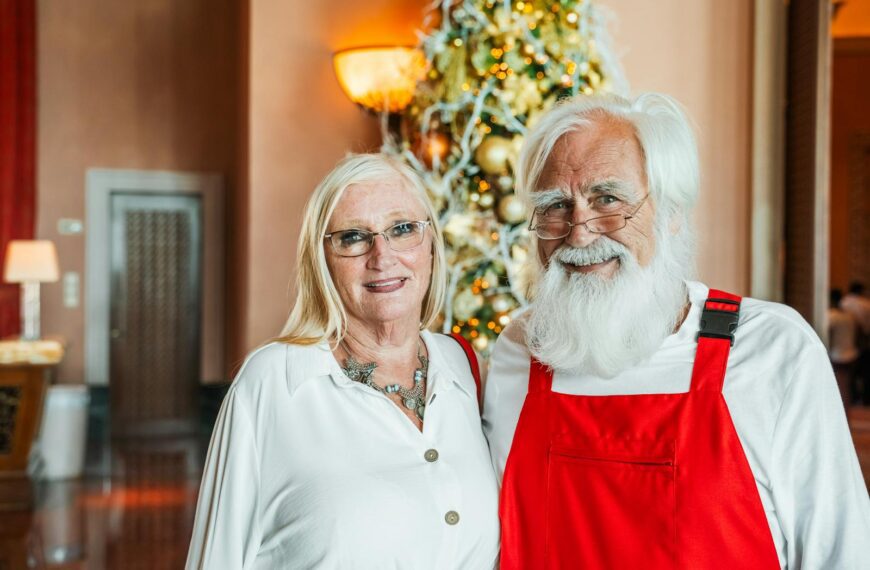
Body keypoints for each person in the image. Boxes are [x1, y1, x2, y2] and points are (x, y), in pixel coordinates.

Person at [484, 93, 870, 569]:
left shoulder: (772, 350)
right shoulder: (518, 353)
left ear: (672, 214)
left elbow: (842, 555)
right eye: (556, 206)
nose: (579, 232)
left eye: (608, 199)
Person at [187, 153, 499, 569]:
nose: (382, 256)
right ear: (323, 262)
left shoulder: (464, 368)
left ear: (431, 246)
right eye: (353, 237)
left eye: (403, 229)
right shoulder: (274, 382)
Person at [828, 288, 859, 406]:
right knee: (846, 385)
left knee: (836, 386)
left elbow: (829, 334)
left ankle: (839, 410)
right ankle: (846, 411)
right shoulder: (850, 316)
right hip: (850, 353)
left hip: (836, 354)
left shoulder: (832, 315)